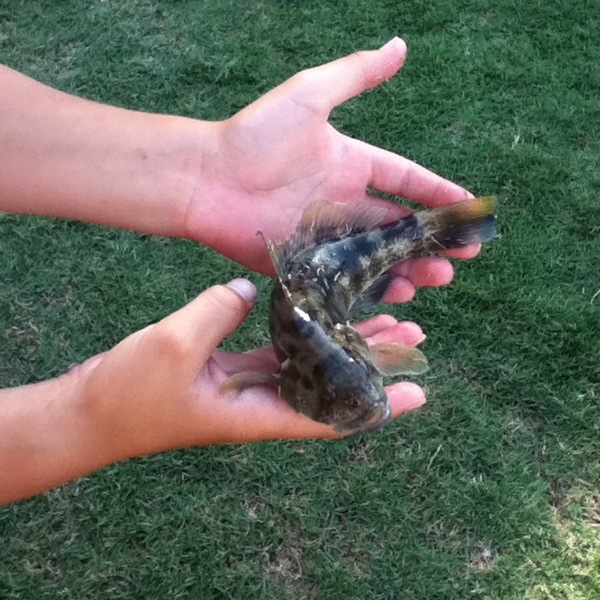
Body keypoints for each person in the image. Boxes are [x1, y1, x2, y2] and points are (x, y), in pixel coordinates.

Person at [0, 38, 479, 504]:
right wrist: (93, 417)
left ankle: (459, 223)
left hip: (320, 272)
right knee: (439, 233)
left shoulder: (316, 352)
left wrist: (211, 164)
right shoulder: (304, 362)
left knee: (441, 232)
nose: (369, 405)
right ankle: (460, 223)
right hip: (321, 273)